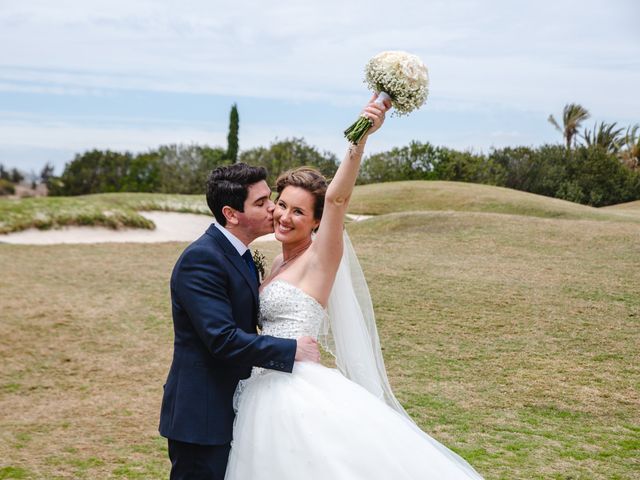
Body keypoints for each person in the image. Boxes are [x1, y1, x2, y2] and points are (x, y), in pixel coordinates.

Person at [224, 95, 485, 479]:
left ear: (316, 222)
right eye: (282, 205)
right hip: (262, 386)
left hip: (295, 391)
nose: (284, 216)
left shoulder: (321, 256)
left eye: (299, 211)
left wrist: (360, 138)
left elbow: (338, 198)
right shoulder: (279, 262)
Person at [159, 163, 321, 480]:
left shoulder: (240, 254)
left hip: (234, 406)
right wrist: (291, 350)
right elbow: (222, 339)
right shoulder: (202, 259)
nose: (274, 208)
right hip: (202, 417)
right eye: (261, 203)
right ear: (232, 214)